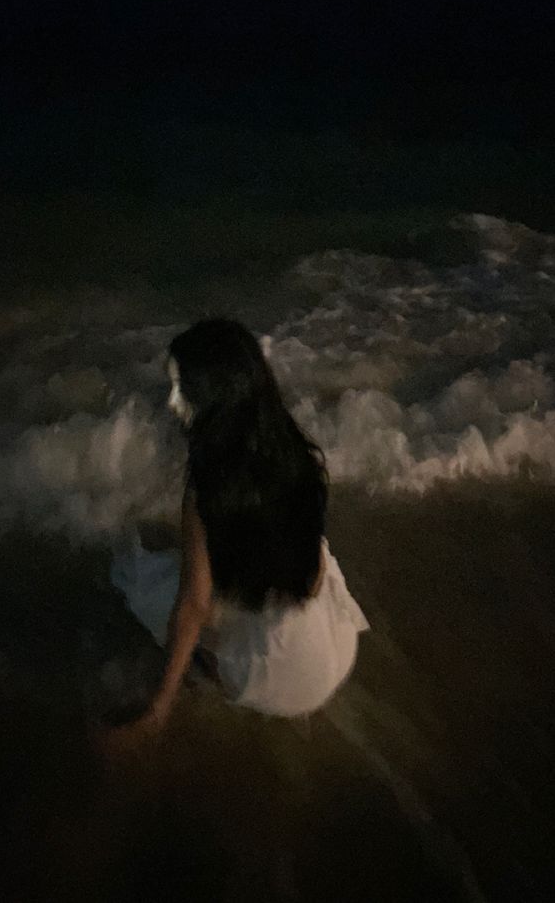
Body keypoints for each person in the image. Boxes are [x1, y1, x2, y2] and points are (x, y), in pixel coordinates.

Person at [96, 318, 369, 751]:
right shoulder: (298, 456)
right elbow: (310, 567)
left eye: (181, 388)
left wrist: (157, 710)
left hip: (279, 679)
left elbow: (194, 606)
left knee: (137, 578)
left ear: (215, 401)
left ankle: (212, 677)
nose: (171, 402)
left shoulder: (208, 487)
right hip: (334, 652)